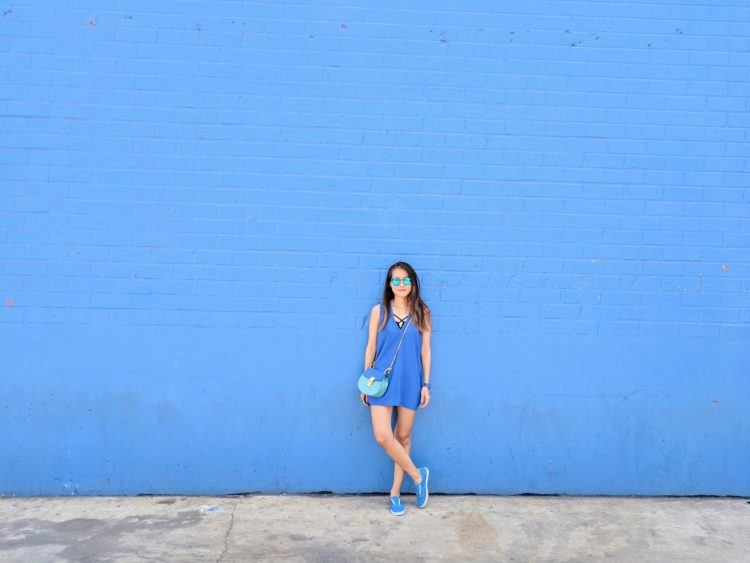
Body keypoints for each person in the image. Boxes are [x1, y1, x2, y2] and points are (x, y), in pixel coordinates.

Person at [360, 261, 432, 516]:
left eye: (406, 280)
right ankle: (418, 475)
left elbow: (425, 350)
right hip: (381, 381)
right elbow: (370, 347)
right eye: (396, 280)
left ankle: (395, 493)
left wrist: (426, 384)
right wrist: (366, 379)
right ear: (389, 284)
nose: (401, 285)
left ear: (413, 283)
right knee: (383, 435)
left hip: (411, 381)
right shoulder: (379, 311)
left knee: (403, 438)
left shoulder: (422, 312)